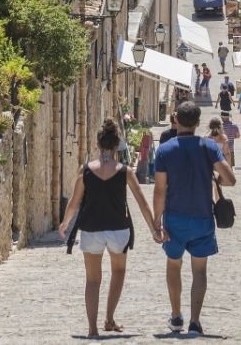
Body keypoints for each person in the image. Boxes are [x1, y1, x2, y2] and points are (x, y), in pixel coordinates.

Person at [60, 119, 161, 338]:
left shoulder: (85, 170)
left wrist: (65, 223)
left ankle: (92, 329)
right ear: (117, 146)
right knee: (118, 271)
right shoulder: (125, 171)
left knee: (92, 280)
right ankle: (109, 318)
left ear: (98, 144)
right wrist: (154, 229)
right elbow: (142, 203)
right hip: (118, 230)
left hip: (91, 229)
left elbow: (75, 203)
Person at [154, 102, 236, 336]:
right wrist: (213, 181)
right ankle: (195, 321)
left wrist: (155, 222)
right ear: (198, 123)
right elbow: (230, 179)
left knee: (174, 265)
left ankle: (176, 316)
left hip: (174, 218)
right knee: (199, 270)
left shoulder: (165, 150)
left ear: (176, 119)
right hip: (202, 217)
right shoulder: (208, 146)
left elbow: (159, 190)